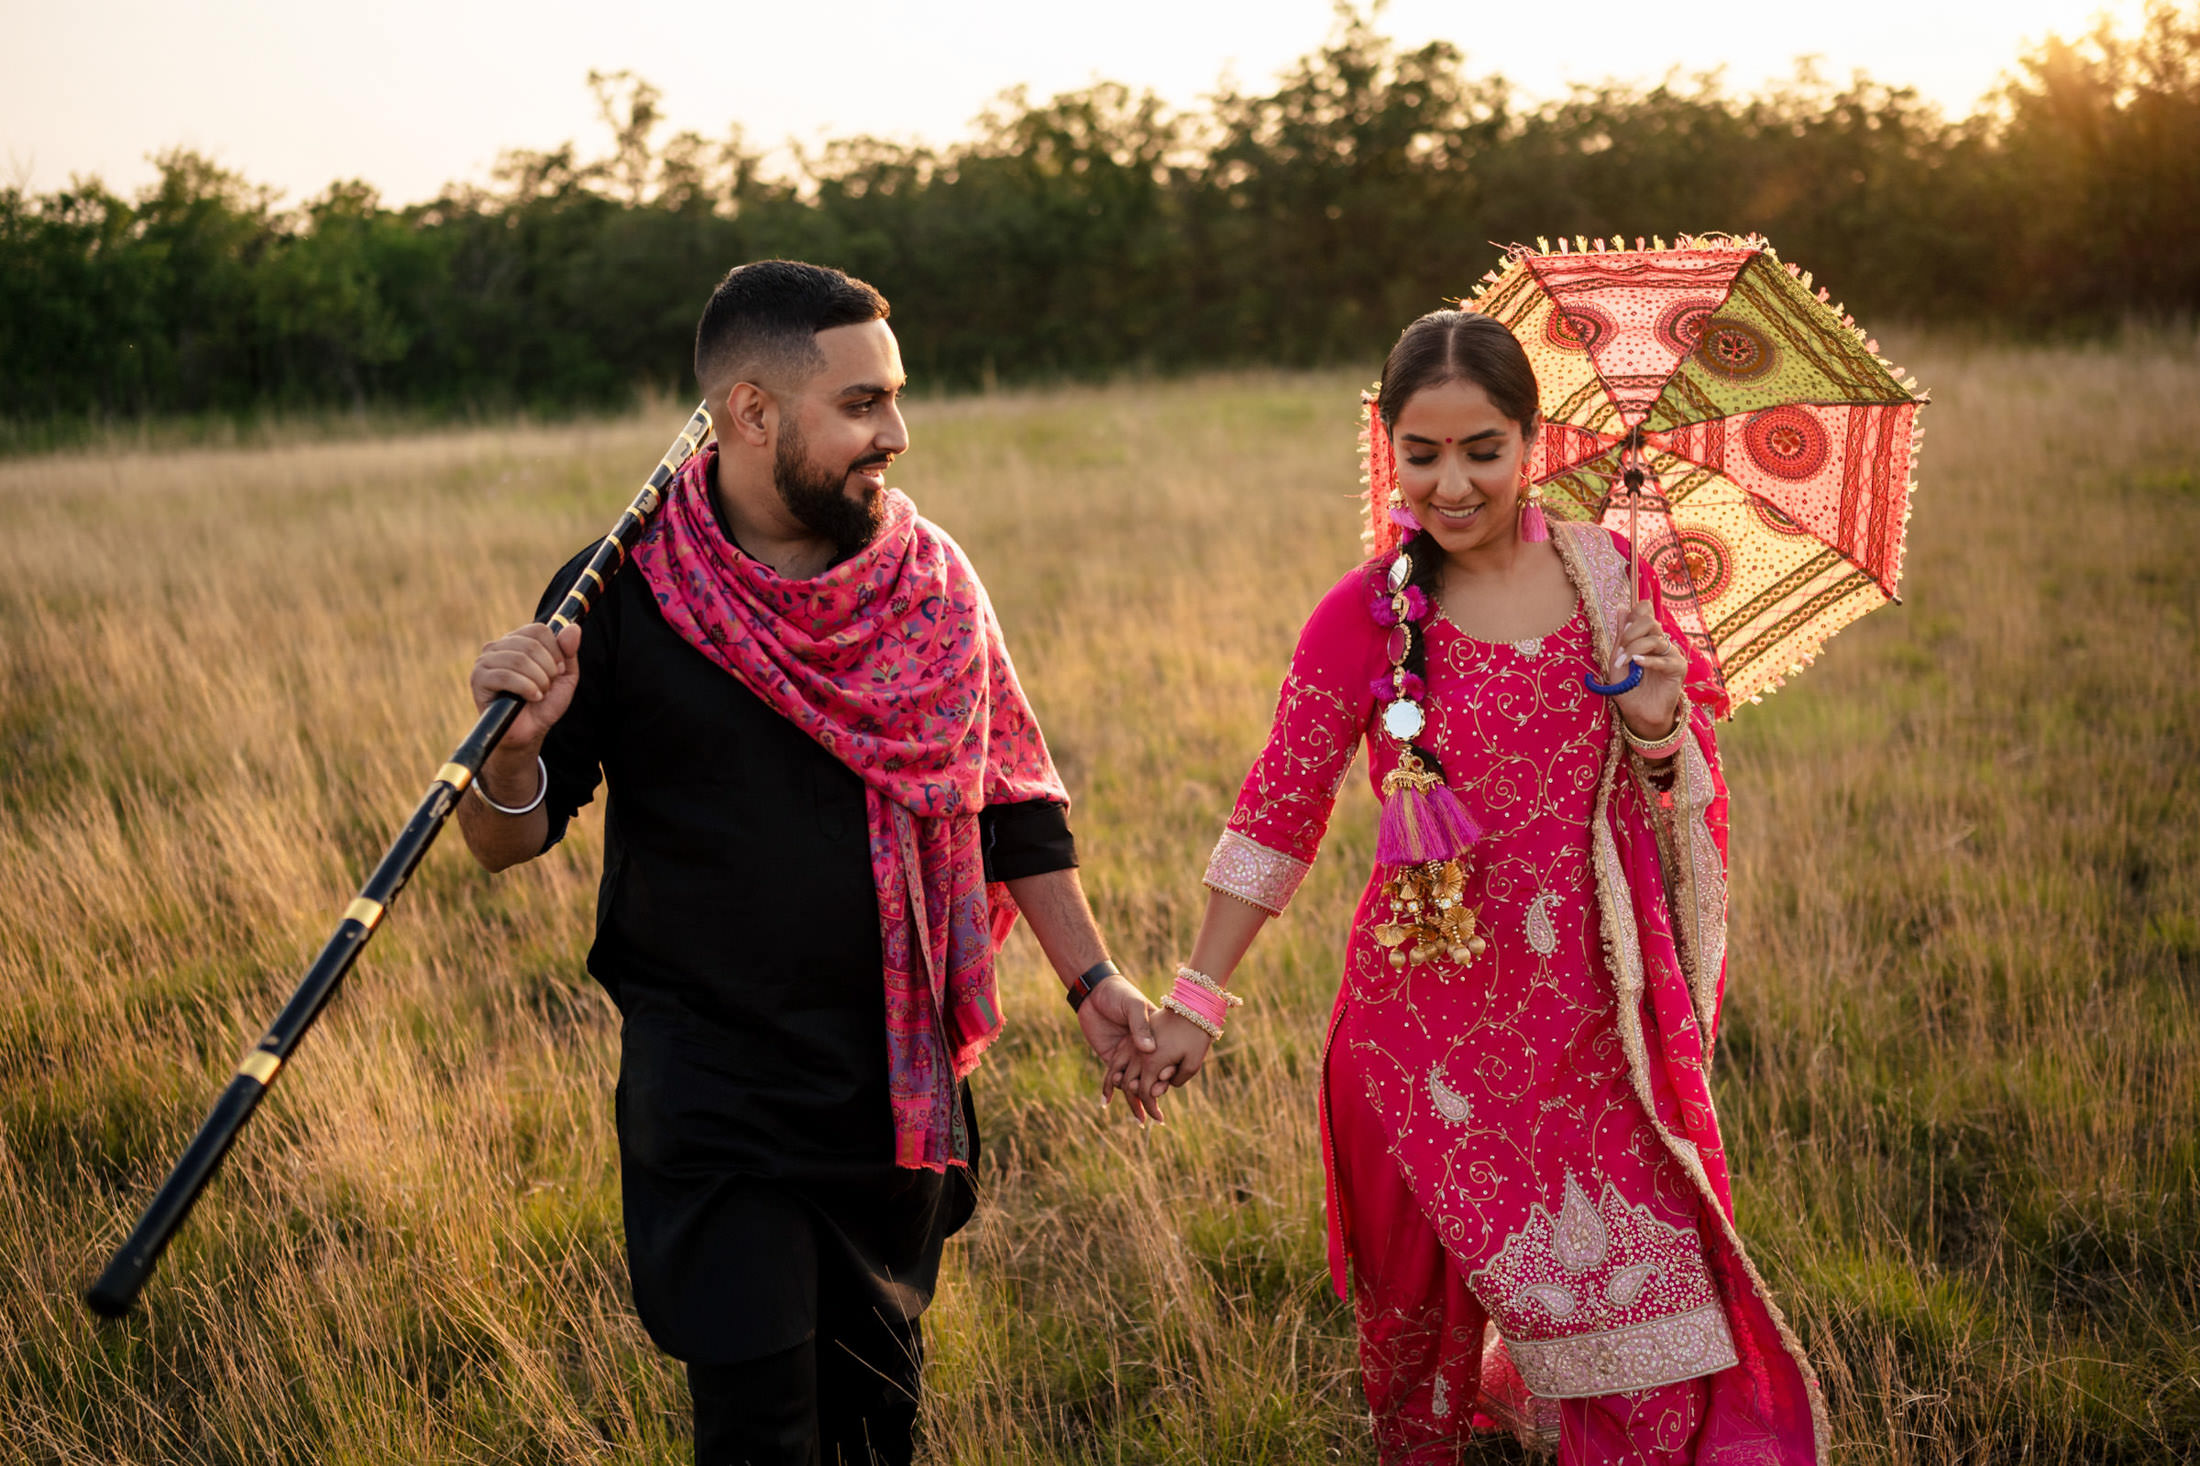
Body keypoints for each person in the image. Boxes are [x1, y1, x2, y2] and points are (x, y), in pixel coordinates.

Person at [456, 259, 1161, 1466]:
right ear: (751, 413)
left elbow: (1013, 805)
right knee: (760, 1429)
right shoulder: (623, 587)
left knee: (874, 1420)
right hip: (712, 1086)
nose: (896, 431)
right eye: (861, 404)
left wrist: (1094, 983)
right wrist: (510, 751)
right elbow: (509, 839)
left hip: (889, 1083)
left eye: (893, 396)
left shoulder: (931, 583)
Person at [1117, 310, 1826, 1463]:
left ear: (1532, 440)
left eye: (1482, 448)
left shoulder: (1614, 585)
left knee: (1652, 1376)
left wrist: (1654, 723)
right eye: (1423, 451)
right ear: (1386, 446)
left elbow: (1680, 787)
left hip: (1589, 1040)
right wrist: (1197, 997)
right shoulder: (1364, 616)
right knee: (1420, 1392)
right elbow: (1276, 811)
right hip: (1414, 1052)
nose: (1453, 482)